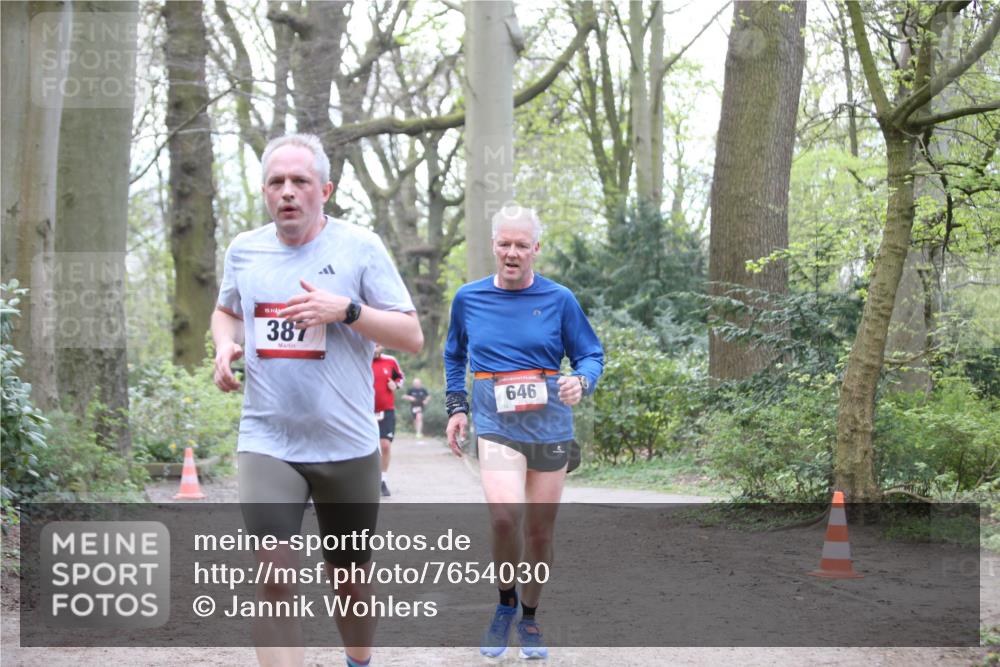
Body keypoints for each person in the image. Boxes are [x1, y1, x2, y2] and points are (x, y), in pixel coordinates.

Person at [212, 132, 422, 667]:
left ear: (324, 189)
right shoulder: (244, 250)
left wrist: (346, 310)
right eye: (277, 182)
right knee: (275, 573)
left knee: (349, 579)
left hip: (347, 443)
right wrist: (224, 346)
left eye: (300, 181)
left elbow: (411, 336)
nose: (288, 192)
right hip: (268, 440)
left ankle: (359, 662)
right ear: (264, 191)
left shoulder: (360, 247)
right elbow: (228, 309)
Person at [443, 205, 603, 660]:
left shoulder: (559, 299)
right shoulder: (468, 298)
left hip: (550, 423)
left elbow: (591, 354)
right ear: (493, 246)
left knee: (538, 533)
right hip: (496, 425)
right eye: (504, 244)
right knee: (502, 516)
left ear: (536, 249)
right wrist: (457, 407)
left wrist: (582, 380)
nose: (512, 253)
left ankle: (530, 618)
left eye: (521, 245)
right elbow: (454, 355)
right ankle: (505, 603)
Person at [372, 344, 403, 496]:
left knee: (385, 445)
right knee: (366, 448)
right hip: (363, 411)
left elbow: (400, 379)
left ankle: (383, 480)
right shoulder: (360, 359)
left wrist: (395, 385)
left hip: (386, 411)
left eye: (377, 345)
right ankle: (367, 480)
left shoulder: (390, 361)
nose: (375, 348)